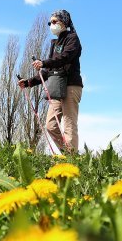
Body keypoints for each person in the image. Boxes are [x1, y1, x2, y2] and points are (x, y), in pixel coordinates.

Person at [18, 9, 83, 153]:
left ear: (64, 22)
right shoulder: (55, 43)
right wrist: (28, 82)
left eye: (54, 22)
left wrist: (44, 62)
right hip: (57, 87)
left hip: (71, 85)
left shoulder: (72, 38)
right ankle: (68, 153)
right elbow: (48, 70)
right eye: (50, 22)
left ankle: (72, 161)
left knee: (69, 124)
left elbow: (65, 57)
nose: (51, 25)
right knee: (50, 125)